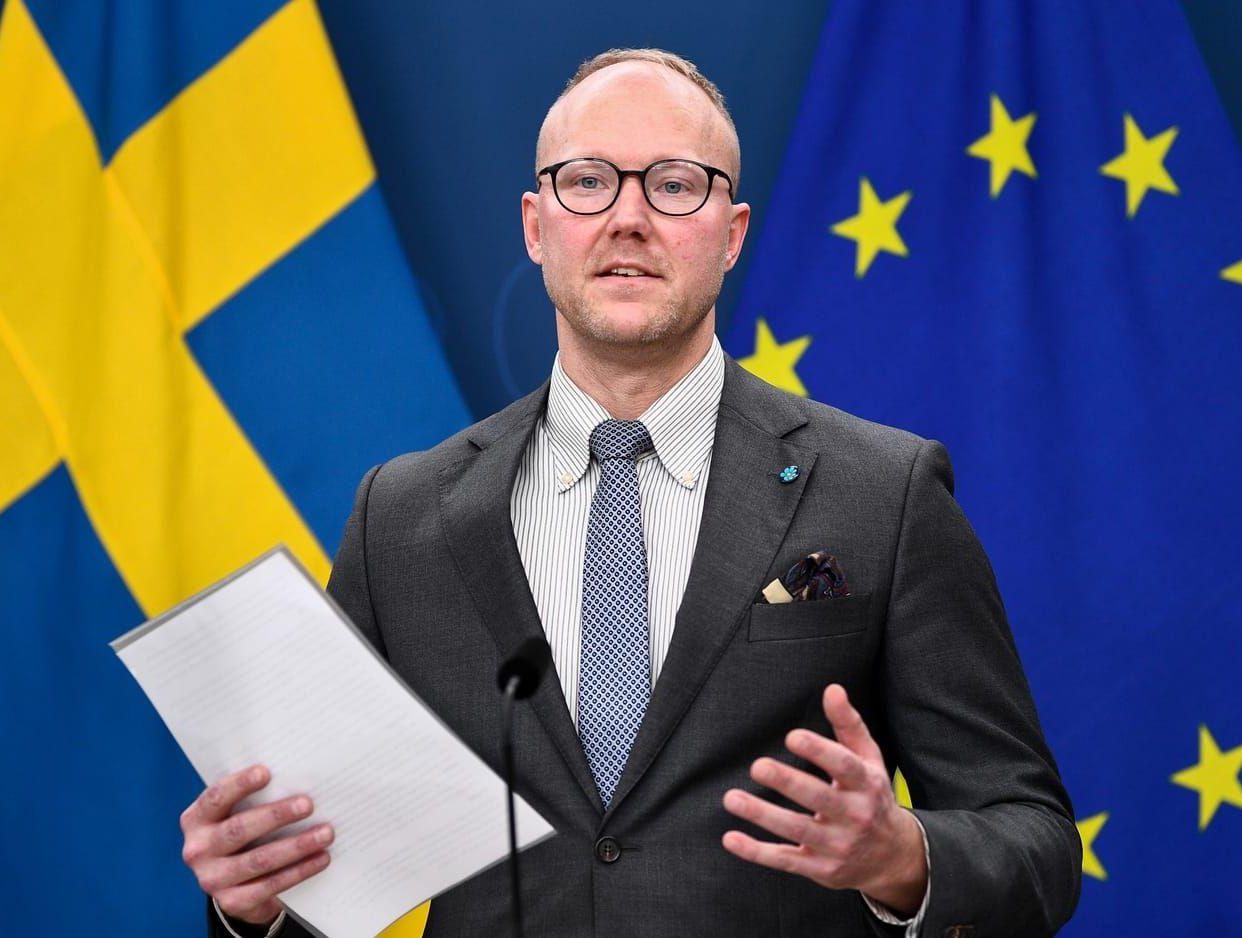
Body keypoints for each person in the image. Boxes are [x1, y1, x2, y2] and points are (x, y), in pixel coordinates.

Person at [179, 49, 1081, 938]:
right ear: (536, 226)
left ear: (730, 233)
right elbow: (316, 866)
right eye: (587, 182)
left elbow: (1035, 841)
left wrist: (901, 857)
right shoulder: (401, 516)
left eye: (675, 185)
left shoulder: (881, 493)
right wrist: (251, 904)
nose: (628, 218)